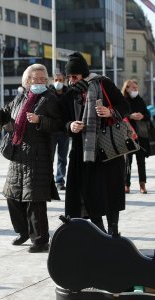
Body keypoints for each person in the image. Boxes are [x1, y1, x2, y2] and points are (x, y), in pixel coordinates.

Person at [0, 64, 62, 253]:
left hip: (38, 155)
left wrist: (40, 121)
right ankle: (22, 232)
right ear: (27, 80)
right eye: (34, 79)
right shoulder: (21, 97)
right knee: (12, 196)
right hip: (18, 153)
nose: (38, 82)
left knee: (34, 200)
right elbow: (5, 111)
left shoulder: (50, 99)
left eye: (42, 79)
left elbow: (58, 124)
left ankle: (40, 240)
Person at [60, 52, 129, 234]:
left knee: (110, 189)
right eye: (68, 77)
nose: (71, 80)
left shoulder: (103, 83)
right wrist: (70, 125)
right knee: (87, 191)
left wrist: (110, 112)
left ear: (83, 73)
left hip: (107, 147)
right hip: (82, 151)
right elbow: (62, 120)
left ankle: (113, 229)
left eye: (74, 76)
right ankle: (99, 231)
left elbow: (124, 105)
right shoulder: (70, 93)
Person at [122, 79, 150, 194]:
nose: (135, 90)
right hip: (127, 135)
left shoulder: (140, 100)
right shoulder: (123, 100)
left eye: (136, 88)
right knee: (128, 161)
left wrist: (142, 116)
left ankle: (142, 184)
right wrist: (131, 116)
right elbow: (120, 115)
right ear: (127, 88)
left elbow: (148, 115)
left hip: (140, 136)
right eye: (133, 88)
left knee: (141, 161)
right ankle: (126, 184)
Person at [49, 73, 70, 190]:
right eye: (56, 80)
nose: (58, 82)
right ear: (53, 81)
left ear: (64, 81)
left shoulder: (69, 93)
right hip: (51, 131)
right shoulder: (48, 93)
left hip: (64, 132)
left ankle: (60, 181)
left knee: (63, 158)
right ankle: (49, 181)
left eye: (61, 80)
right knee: (49, 158)